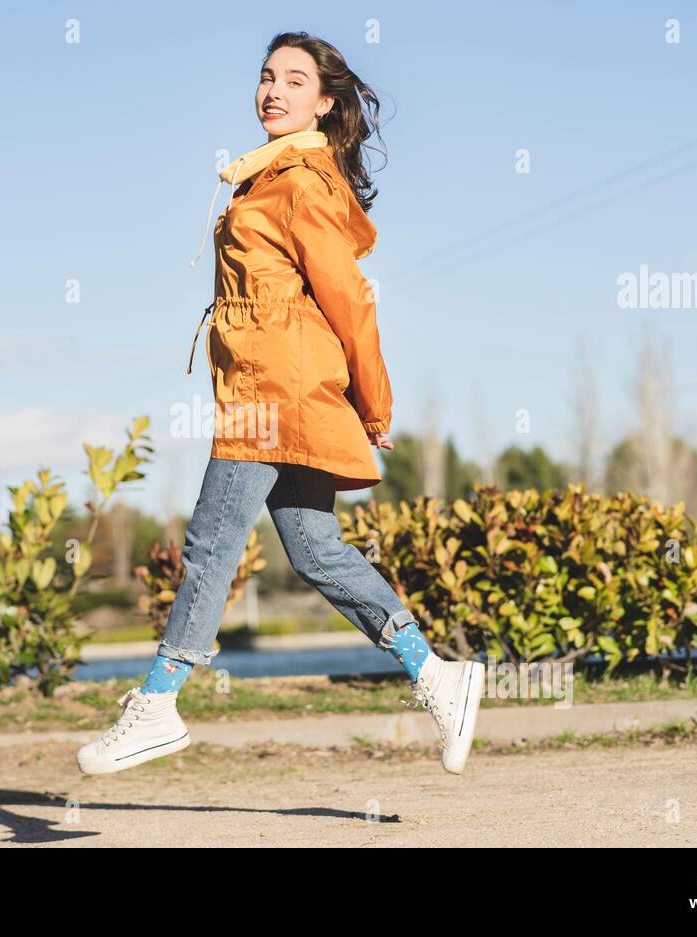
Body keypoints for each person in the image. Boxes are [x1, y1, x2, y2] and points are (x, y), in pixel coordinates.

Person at [77, 31, 484, 777]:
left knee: (211, 540)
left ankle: (160, 701)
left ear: (325, 103)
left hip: (274, 389)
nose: (273, 90)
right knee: (316, 550)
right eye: (267, 77)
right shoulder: (265, 177)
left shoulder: (299, 182)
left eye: (295, 81)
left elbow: (350, 299)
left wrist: (375, 402)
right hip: (273, 382)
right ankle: (439, 676)